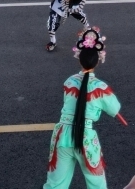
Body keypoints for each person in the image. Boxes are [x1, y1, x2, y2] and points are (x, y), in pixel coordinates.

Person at [43, 28, 121, 189]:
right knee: (97, 185)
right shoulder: (100, 88)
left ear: (79, 59)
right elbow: (115, 108)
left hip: (63, 135)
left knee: (55, 185)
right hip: (86, 138)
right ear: (98, 60)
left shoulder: (69, 81)